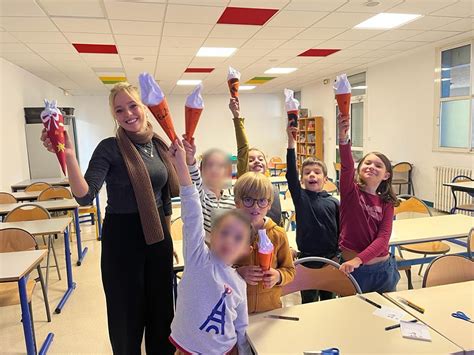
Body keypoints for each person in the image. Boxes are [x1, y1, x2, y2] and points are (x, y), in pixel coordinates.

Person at [41, 82, 178, 354]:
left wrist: (169, 241)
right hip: (122, 241)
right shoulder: (110, 148)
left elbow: (164, 200)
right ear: (114, 115)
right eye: (119, 110)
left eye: (132, 106)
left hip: (158, 240)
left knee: (161, 314)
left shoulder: (160, 145)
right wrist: (69, 157)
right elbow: (84, 195)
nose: (128, 114)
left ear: (144, 108)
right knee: (126, 316)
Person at [168, 138, 252, 355]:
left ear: (246, 250)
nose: (229, 240)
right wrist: (182, 165)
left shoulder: (239, 284)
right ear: (211, 236)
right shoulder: (198, 258)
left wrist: (243, 351)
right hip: (187, 348)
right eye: (223, 233)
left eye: (238, 238)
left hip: (223, 350)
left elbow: (241, 327)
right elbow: (192, 211)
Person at [337, 113, 400, 293]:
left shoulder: (387, 203)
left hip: (382, 270)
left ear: (386, 175)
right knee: (352, 317)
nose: (372, 167)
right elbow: (347, 165)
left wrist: (359, 259)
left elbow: (383, 239)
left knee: (386, 317)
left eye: (378, 166)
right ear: (360, 168)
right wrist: (343, 138)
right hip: (355, 271)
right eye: (367, 163)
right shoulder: (350, 192)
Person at [286, 125, 339, 303]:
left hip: (330, 260)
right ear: (302, 180)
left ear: (325, 179)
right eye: (307, 173)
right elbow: (291, 175)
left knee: (329, 301)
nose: (312, 176)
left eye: (317, 173)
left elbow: (342, 231)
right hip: (307, 259)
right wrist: (291, 143)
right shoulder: (301, 198)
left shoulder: (333, 202)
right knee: (308, 303)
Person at [234, 172, 295, 313]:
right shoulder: (228, 234)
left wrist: (278, 276)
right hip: (236, 311)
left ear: (269, 205)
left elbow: (290, 270)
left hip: (270, 310)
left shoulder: (278, 234)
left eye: (262, 201)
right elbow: (217, 270)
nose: (256, 207)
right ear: (237, 203)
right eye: (248, 200)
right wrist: (238, 272)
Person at [229, 98, 282, 225]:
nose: (257, 162)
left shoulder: (273, 189)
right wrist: (237, 117)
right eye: (251, 160)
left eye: (260, 158)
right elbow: (243, 148)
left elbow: (278, 220)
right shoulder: (245, 182)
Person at [182, 137, 235, 237]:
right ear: (201, 172)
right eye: (209, 165)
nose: (215, 169)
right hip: (208, 249)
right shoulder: (199, 196)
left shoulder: (233, 197)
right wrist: (190, 159)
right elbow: (193, 177)